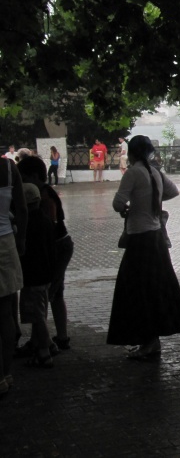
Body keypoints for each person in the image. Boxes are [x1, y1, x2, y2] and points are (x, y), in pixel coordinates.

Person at [108, 135, 180, 360]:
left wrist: (131, 206)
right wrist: (153, 200)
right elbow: (173, 191)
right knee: (155, 289)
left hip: (138, 238)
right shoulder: (155, 172)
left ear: (132, 153)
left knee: (137, 290)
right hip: (156, 238)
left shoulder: (133, 173)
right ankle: (151, 341)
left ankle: (147, 342)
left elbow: (117, 203)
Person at [16, 156, 73, 355]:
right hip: (58, 246)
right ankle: (54, 338)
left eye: (23, 178)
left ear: (32, 176)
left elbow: (47, 230)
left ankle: (45, 343)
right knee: (53, 293)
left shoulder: (43, 197)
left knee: (48, 293)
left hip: (56, 247)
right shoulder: (44, 193)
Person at [15, 182, 56, 368]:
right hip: (45, 275)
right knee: (40, 311)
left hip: (33, 276)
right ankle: (48, 345)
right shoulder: (46, 221)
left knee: (36, 314)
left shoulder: (27, 225)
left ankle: (45, 352)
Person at [0, 150, 27, 396]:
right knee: (6, 312)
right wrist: (21, 241)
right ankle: (5, 373)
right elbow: (21, 209)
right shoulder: (9, 169)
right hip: (6, 244)